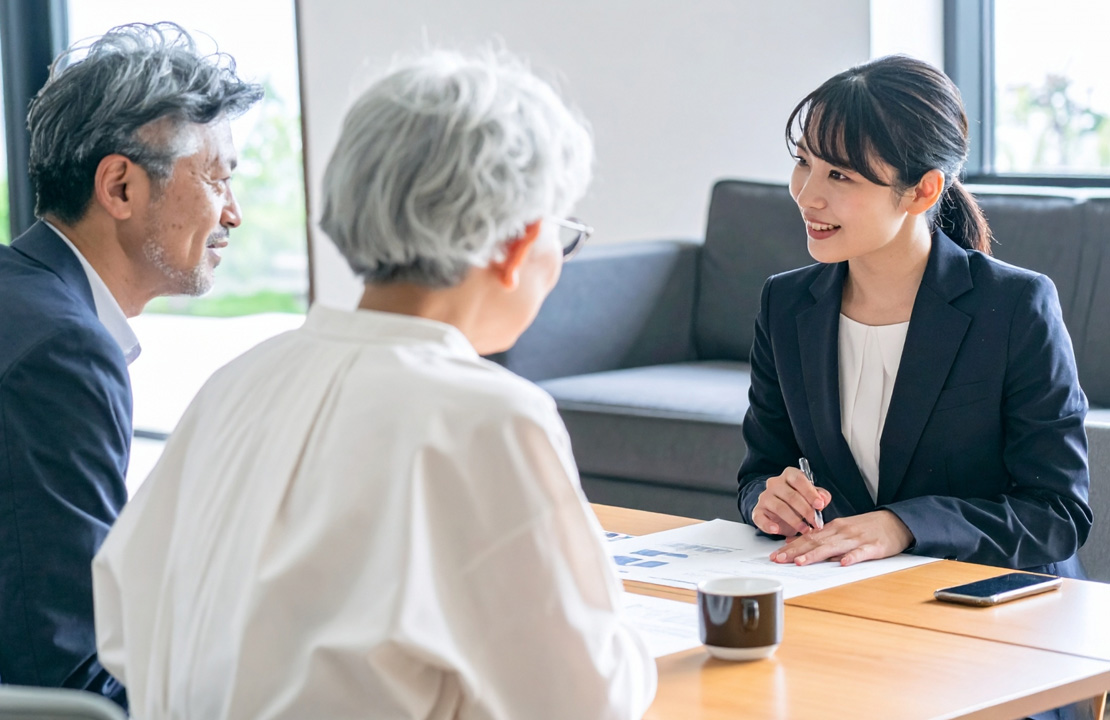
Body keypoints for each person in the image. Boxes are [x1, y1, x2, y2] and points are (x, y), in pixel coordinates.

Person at [92, 50, 657, 719]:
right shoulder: (488, 417)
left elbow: (123, 625)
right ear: (514, 243)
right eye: (560, 236)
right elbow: (587, 700)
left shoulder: (238, 381)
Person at [737, 55, 1091, 578]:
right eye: (804, 162)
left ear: (923, 190)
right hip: (850, 590)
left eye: (839, 174)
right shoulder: (785, 304)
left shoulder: (1016, 307)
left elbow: (1057, 514)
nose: (807, 194)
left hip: (993, 601)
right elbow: (760, 471)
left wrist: (905, 525)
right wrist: (766, 500)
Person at [0, 23, 261, 709]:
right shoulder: (62, 350)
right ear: (119, 186)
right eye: (217, 178)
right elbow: (61, 668)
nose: (233, 214)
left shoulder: (22, 302)